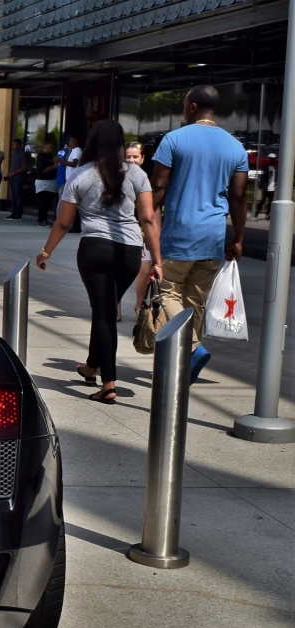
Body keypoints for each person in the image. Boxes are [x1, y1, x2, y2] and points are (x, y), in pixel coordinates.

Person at [35, 120, 162, 404]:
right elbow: (148, 218)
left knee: (104, 313)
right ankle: (92, 366)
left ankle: (108, 383)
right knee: (103, 308)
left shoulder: (79, 176)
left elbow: (64, 222)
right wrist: (157, 260)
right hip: (130, 251)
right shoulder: (137, 174)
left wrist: (46, 252)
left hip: (95, 249)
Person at [150, 84, 250, 383]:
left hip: (180, 233)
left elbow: (157, 188)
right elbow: (239, 196)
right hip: (213, 237)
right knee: (195, 302)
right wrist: (238, 238)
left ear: (193, 106)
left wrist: (144, 223)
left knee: (167, 292)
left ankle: (192, 349)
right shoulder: (235, 146)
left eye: (184, 103)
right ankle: (184, 365)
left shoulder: (174, 139)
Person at [126, 142, 157, 311]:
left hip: (144, 233)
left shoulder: (148, 180)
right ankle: (116, 307)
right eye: (128, 157)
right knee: (118, 270)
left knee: (144, 270)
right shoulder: (116, 178)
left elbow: (154, 210)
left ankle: (139, 304)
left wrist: (147, 232)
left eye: (135, 157)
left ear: (142, 158)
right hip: (123, 232)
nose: (131, 160)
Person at [35, 141, 59, 226]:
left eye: (53, 147)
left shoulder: (50, 157)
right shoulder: (42, 157)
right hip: (44, 183)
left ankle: (44, 219)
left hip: (50, 182)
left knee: (48, 202)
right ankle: (41, 220)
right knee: (43, 202)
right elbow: (43, 170)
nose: (52, 149)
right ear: (45, 148)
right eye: (50, 147)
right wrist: (54, 166)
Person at [6, 139, 29, 220]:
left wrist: (14, 173)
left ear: (19, 145)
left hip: (18, 178)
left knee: (18, 196)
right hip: (13, 178)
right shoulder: (15, 154)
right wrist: (9, 174)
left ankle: (18, 214)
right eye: (13, 145)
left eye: (15, 145)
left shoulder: (22, 154)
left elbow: (24, 167)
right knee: (14, 197)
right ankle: (13, 213)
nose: (13, 146)